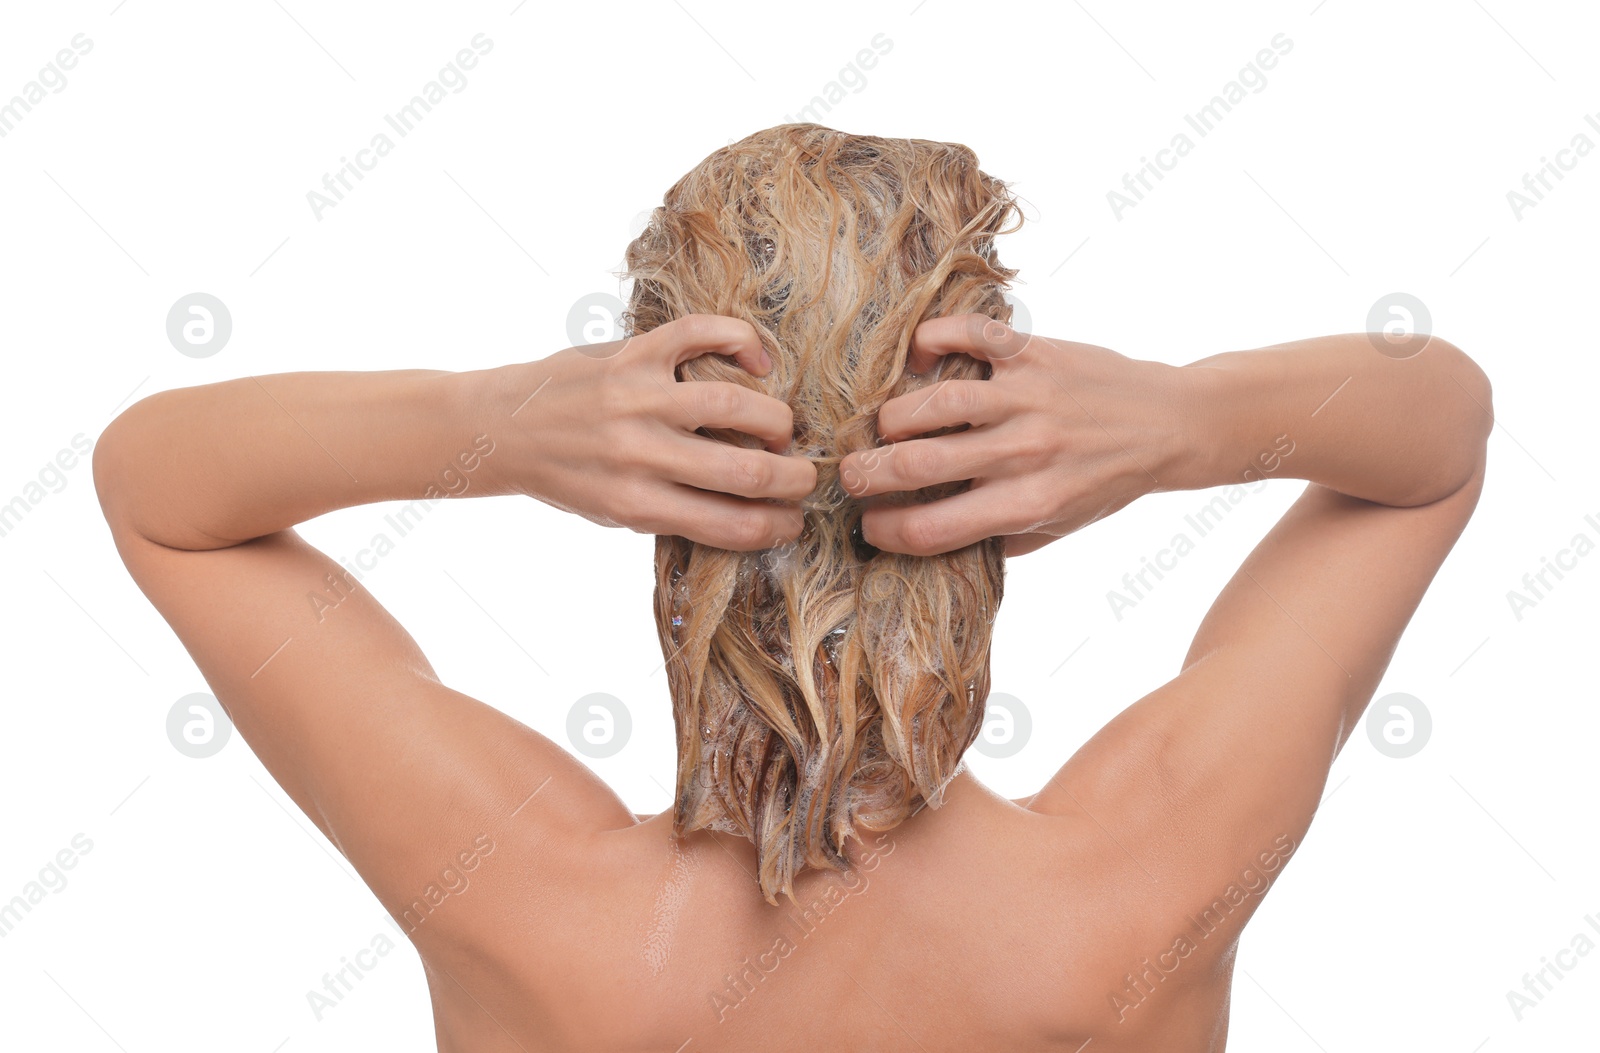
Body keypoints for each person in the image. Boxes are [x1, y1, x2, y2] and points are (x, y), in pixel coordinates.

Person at [94, 124, 1492, 1051]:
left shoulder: (532, 910)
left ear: (651, 491)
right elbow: (1438, 438)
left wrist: (500, 421)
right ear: (1001, 472)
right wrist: (1184, 421)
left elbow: (157, 493)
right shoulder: (1144, 882)